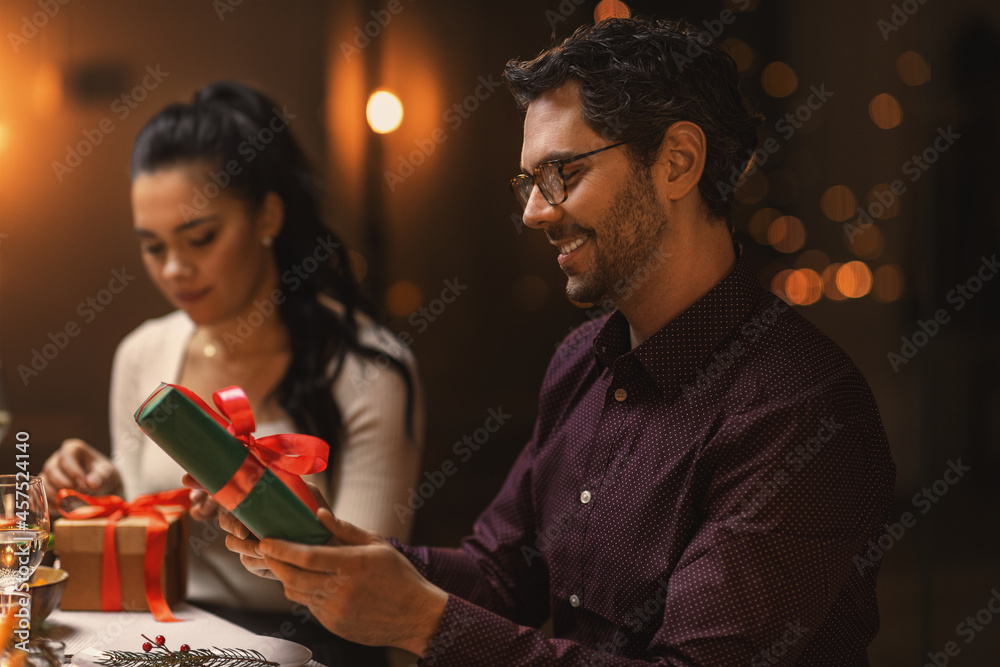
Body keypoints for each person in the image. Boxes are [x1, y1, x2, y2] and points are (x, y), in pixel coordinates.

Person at [218, 18, 896, 665]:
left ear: (679, 162)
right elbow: (500, 574)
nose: (534, 212)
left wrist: (418, 619)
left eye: (562, 174)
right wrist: (338, 552)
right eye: (528, 181)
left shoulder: (800, 411)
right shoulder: (580, 361)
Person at [40, 81, 423, 667]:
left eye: (200, 238)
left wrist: (256, 506)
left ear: (268, 214)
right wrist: (108, 500)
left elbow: (368, 595)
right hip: (168, 638)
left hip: (317, 648)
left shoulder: (367, 368)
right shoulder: (144, 352)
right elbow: (150, 545)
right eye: (152, 246)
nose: (174, 269)